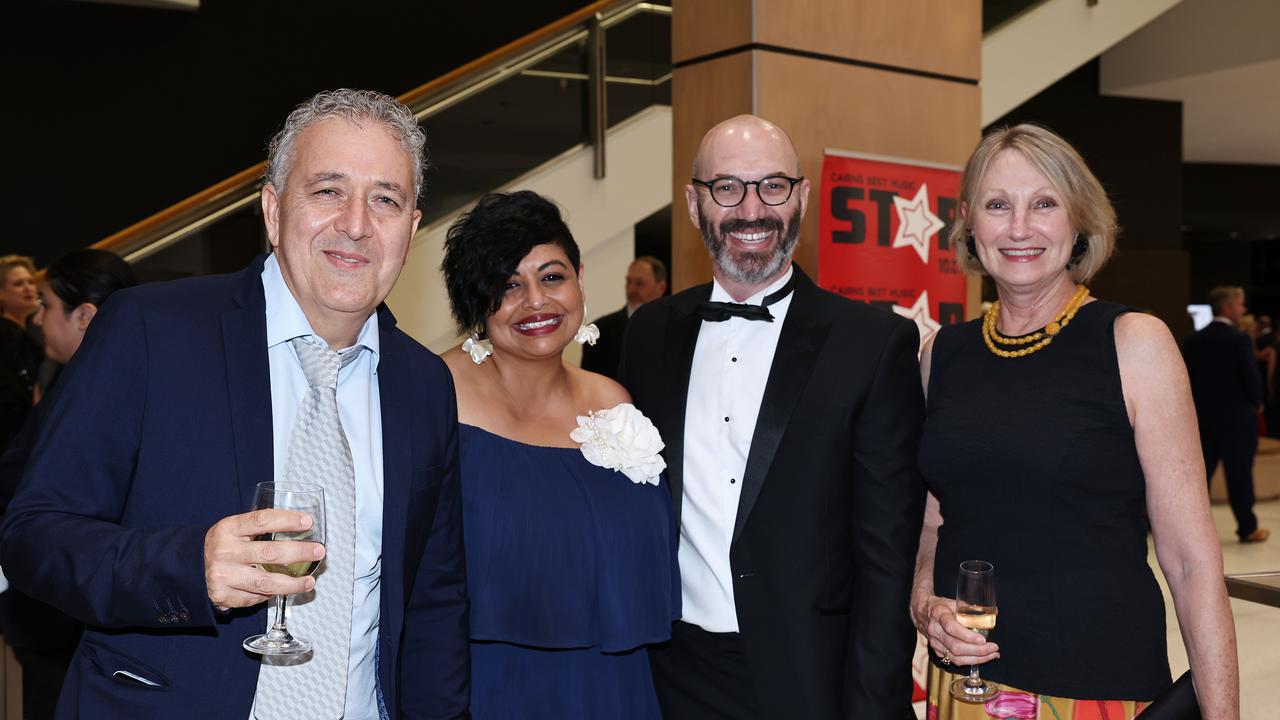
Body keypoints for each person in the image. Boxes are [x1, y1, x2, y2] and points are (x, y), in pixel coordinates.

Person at [0, 89, 469, 719]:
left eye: (385, 199)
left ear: (410, 229)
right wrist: (187, 567)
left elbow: (433, 600)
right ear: (273, 210)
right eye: (328, 190)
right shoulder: (150, 333)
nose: (356, 223)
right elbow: (33, 534)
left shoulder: (424, 383)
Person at [912, 124, 1239, 720]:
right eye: (996, 205)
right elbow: (935, 519)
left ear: (1079, 219)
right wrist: (924, 604)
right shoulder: (942, 355)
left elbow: (1192, 563)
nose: (1018, 228)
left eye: (1043, 204)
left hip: (1098, 688)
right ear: (967, 223)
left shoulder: (1134, 343)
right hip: (966, 690)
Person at [619, 115, 926, 719]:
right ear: (693, 202)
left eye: (773, 187)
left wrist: (871, 706)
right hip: (668, 669)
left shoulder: (874, 343)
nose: (751, 210)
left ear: (803, 197)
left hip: (811, 678)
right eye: (728, 187)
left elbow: (886, 557)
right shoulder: (649, 333)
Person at [439, 190, 678, 718]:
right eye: (507, 285)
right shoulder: (434, 395)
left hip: (611, 685)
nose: (536, 302)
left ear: (580, 279)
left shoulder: (613, 402)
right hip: (484, 687)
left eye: (552, 277)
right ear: (476, 300)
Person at [0, 248, 137, 720]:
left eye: (45, 304)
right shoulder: (76, 383)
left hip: (67, 618)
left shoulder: (92, 398)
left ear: (85, 317)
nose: (37, 318)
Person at [1183, 286, 1268, 543]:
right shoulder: (1239, 339)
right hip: (1237, 420)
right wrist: (1257, 403)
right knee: (1239, 474)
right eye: (1240, 305)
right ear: (1228, 307)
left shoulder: (1193, 340)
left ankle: (1193, 532)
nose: (1243, 310)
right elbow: (1250, 376)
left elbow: (1185, 379)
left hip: (1201, 419)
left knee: (1199, 477)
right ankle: (1247, 527)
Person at [579, 256, 668, 379]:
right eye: (629, 282)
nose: (631, 289)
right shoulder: (599, 332)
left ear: (661, 288)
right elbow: (588, 386)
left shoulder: (673, 328)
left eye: (639, 283)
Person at [0, 255, 42, 449]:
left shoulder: (24, 331)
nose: (28, 288)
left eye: (30, 282)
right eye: (18, 284)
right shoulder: (7, 333)